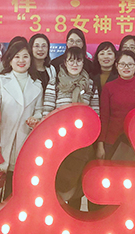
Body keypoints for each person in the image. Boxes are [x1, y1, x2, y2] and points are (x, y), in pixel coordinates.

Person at [0, 40, 44, 209]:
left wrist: (35, 119)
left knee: (17, 187)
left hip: (24, 141)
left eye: (25, 56)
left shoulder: (37, 85)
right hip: (0, 142)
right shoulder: (1, 81)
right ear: (10, 60)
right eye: (17, 57)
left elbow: (39, 110)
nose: (21, 60)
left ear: (30, 59)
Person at [42, 46, 99, 209]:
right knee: (55, 182)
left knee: (75, 182)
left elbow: (96, 115)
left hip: (81, 143)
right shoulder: (55, 83)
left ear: (83, 63)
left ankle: (73, 218)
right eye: (71, 60)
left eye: (78, 60)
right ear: (65, 63)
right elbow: (47, 113)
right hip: (58, 143)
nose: (75, 64)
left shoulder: (90, 85)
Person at [96, 50, 135, 161]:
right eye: (122, 64)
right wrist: (100, 144)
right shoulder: (108, 88)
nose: (126, 67)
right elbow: (104, 117)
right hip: (112, 142)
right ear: (117, 65)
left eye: (130, 64)